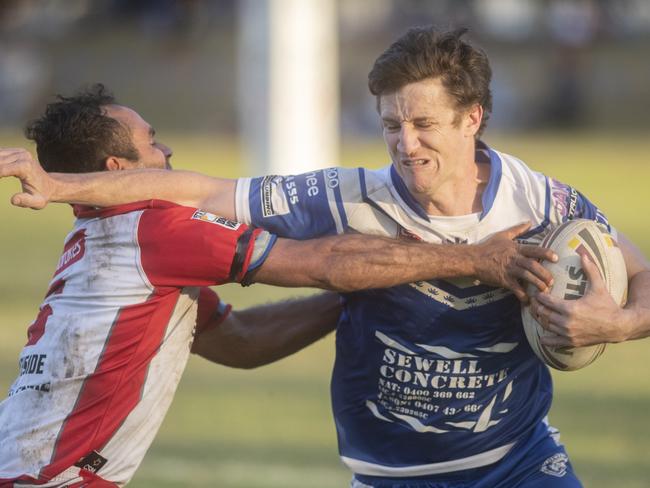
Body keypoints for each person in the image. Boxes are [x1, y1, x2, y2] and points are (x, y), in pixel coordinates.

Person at [5, 26, 647, 485]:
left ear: (472, 118)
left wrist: (616, 323)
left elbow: (641, 274)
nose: (405, 143)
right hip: (390, 472)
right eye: (391, 125)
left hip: (520, 462)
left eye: (423, 124)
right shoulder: (341, 199)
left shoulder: (541, 201)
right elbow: (212, 196)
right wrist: (61, 186)